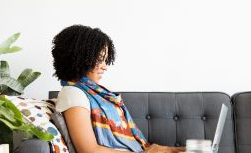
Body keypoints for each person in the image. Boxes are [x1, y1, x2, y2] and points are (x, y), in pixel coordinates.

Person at [51, 25, 185, 153]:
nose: (105, 66)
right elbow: (89, 150)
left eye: (105, 60)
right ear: (78, 58)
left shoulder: (92, 92)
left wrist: (171, 149)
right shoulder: (73, 93)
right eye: (99, 59)